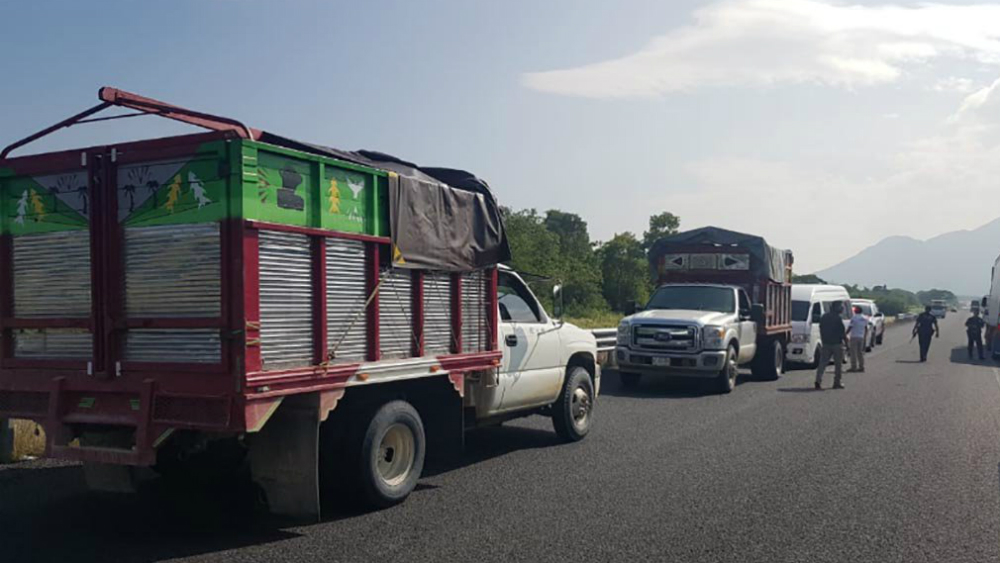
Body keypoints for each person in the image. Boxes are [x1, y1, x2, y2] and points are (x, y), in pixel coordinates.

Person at [815, 301, 848, 390]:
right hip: (837, 343)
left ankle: (818, 380)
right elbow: (842, 333)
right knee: (838, 365)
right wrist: (847, 344)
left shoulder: (824, 317)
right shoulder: (838, 318)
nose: (842, 308)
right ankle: (837, 382)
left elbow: (821, 328)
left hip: (826, 343)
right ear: (836, 308)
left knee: (822, 363)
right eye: (841, 306)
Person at [847, 305, 869, 372]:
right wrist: (865, 335)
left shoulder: (854, 318)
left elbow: (850, 327)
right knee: (860, 352)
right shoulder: (865, 318)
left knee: (853, 352)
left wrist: (845, 334)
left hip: (854, 336)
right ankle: (861, 366)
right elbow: (866, 328)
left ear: (856, 311)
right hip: (861, 336)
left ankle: (854, 367)